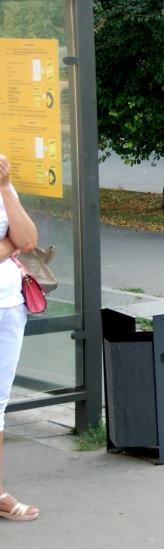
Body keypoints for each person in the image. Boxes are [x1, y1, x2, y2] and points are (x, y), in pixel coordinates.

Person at [0, 153, 40, 521]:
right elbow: (15, 244)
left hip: (9, 306)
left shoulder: (3, 188)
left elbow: (27, 240)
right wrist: (7, 245)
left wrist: (5, 185)